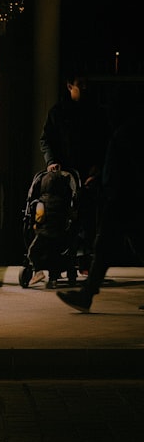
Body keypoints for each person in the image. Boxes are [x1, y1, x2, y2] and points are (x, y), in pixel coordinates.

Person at [56, 112, 144, 312]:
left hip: (123, 198)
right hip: (126, 197)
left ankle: (86, 295)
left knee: (105, 246)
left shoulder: (127, 131)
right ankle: (86, 294)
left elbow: (126, 167)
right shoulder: (129, 129)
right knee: (135, 243)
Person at [38, 73, 111, 271]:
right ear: (70, 86)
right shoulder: (58, 112)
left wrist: (97, 166)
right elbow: (46, 140)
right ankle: (63, 257)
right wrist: (52, 162)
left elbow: (103, 141)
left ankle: (84, 259)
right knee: (63, 214)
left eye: (86, 84)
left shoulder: (95, 112)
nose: (84, 88)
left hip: (87, 171)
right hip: (65, 173)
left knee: (87, 216)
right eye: (80, 84)